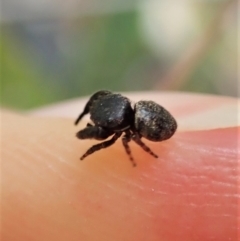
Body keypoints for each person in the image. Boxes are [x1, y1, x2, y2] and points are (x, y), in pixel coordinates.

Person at [1, 92, 239, 241]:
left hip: (158, 127)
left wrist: (146, 154)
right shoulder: (122, 106)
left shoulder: (126, 131)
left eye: (98, 123)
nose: (94, 122)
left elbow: (126, 143)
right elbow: (100, 98)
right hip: (147, 115)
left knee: (121, 142)